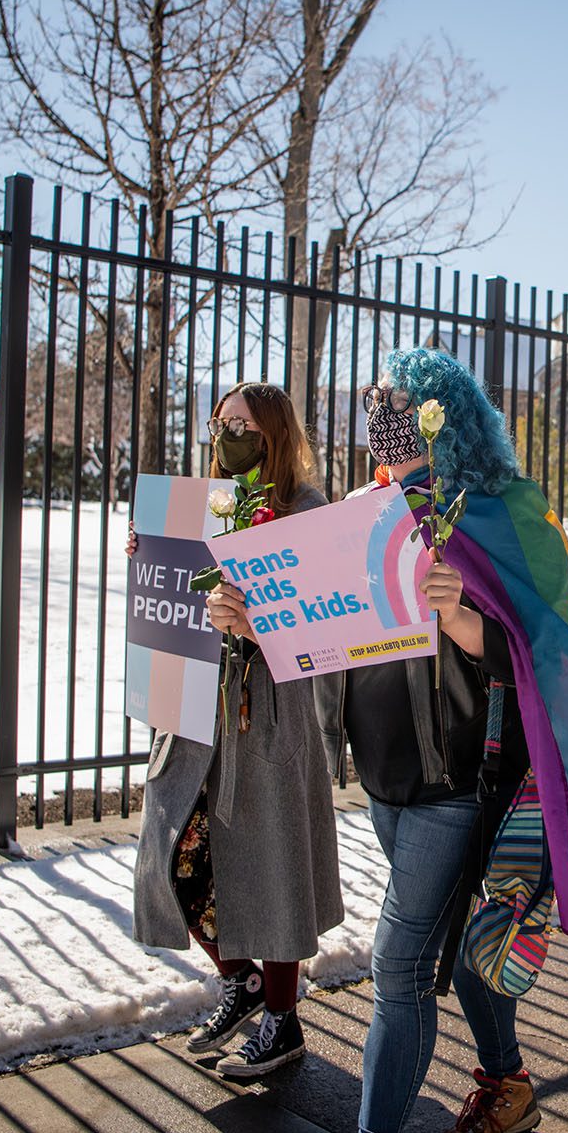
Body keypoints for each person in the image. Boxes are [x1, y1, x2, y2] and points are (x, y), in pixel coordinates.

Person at [320, 349, 537, 1133]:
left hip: (462, 779)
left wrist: (469, 624)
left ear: (448, 416)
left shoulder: (498, 512)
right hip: (384, 776)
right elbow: (311, 628)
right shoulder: (357, 513)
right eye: (377, 403)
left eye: (403, 406)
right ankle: (507, 1083)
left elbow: (548, 648)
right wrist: (241, 608)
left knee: (399, 965)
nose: (386, 418)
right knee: (459, 946)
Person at [129, 382, 343, 1078]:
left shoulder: (307, 512)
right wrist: (151, 555)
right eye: (221, 422)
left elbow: (329, 624)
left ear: (274, 434)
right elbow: (177, 596)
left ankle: (282, 1019)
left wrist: (257, 625)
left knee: (272, 869)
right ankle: (241, 980)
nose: (229, 435)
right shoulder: (203, 506)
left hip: (268, 719)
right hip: (196, 714)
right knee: (179, 857)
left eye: (244, 425)